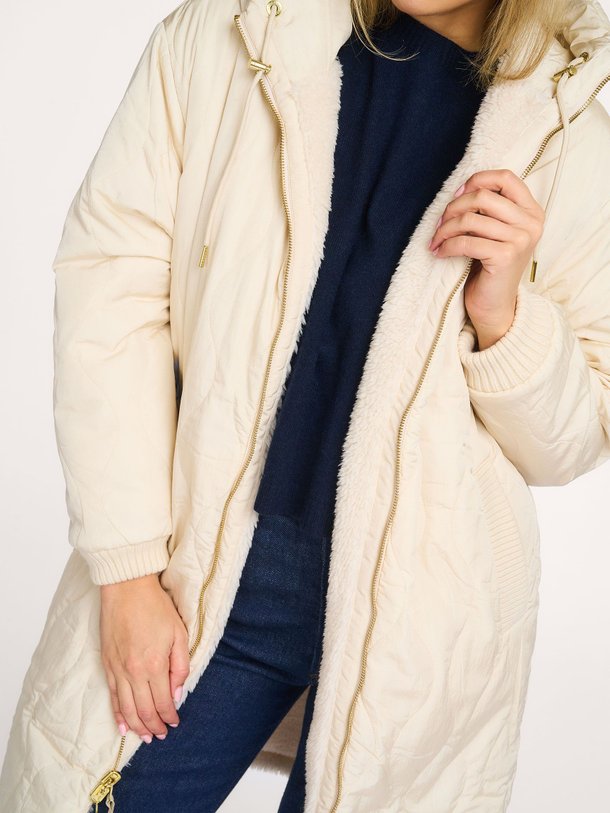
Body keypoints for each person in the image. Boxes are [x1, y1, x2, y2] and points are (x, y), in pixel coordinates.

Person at [1, 0, 609, 810]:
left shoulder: (573, 139)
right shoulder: (236, 32)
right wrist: (127, 570)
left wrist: (505, 315)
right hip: (201, 573)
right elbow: (109, 292)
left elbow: (571, 441)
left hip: (421, 630)